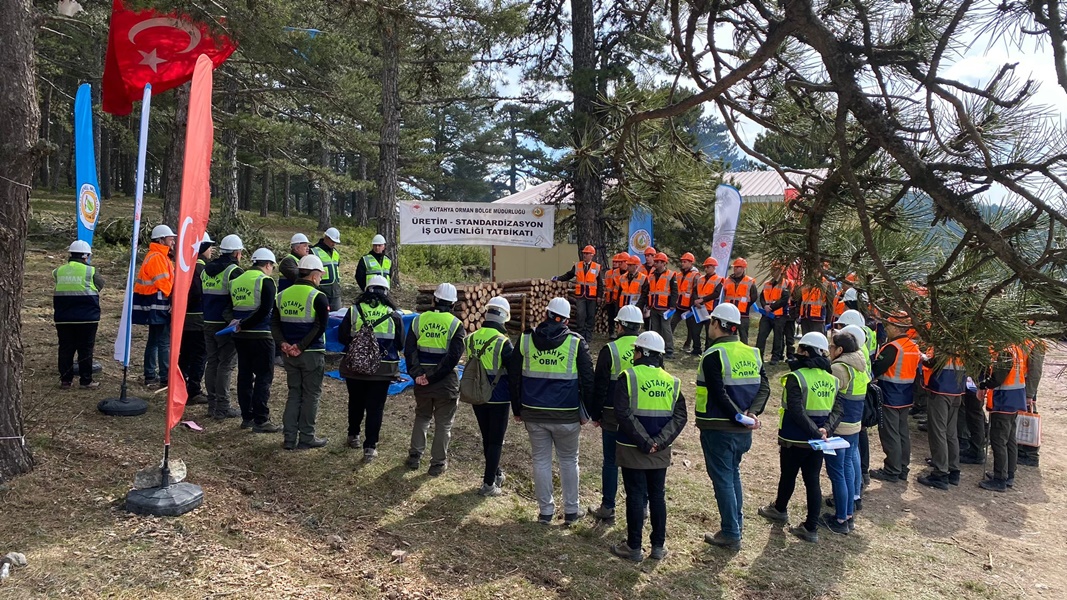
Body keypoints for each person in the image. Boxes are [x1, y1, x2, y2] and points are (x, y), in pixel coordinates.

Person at [509, 297, 594, 526]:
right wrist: (589, 412)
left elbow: (514, 376)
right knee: (568, 460)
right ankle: (571, 512)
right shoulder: (576, 342)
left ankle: (545, 512)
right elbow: (588, 380)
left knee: (541, 461)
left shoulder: (526, 339)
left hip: (534, 414)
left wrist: (517, 409)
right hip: (566, 415)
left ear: (546, 313)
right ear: (566, 319)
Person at [609, 331, 688, 562]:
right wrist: (659, 442)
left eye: (635, 350)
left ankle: (634, 547)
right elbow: (680, 416)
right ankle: (658, 546)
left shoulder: (629, 376)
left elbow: (622, 412)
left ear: (642, 352)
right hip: (659, 451)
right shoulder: (672, 381)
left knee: (634, 495)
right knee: (657, 495)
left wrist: (644, 441)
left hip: (632, 447)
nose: (633, 354)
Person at [696, 303, 769, 551]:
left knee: (723, 479)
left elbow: (718, 393)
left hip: (719, 427)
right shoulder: (753, 353)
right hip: (743, 430)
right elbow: (765, 388)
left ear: (716, 324)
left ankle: (730, 532)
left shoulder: (713, 354)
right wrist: (751, 414)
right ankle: (736, 524)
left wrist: (738, 416)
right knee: (733, 473)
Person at [758, 332, 839, 543]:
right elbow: (839, 409)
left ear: (804, 351)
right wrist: (825, 431)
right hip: (818, 442)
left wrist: (815, 432)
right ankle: (811, 527)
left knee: (788, 475)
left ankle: (780, 509)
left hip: (794, 439)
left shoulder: (796, 377)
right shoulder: (832, 379)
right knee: (812, 481)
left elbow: (796, 409)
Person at [588, 304, 644, 522]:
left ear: (619, 326)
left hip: (612, 414)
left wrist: (596, 413)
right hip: (640, 415)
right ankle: (644, 506)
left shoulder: (610, 350)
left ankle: (608, 506)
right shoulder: (651, 347)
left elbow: (600, 385)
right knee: (639, 461)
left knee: (610, 460)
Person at [339, 275, 403, 462]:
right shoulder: (394, 315)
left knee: (356, 401)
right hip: (382, 370)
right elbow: (399, 344)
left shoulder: (354, 310)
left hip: (355, 367)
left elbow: (342, 337)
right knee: (375, 408)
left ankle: (353, 435)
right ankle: (370, 447)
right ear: (386, 292)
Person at [405, 283, 466, 475]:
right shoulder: (456, 325)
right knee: (443, 423)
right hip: (445, 381)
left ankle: (414, 456)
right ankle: (438, 464)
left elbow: (409, 351)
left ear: (434, 300)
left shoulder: (418, 320)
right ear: (454, 304)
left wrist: (418, 375)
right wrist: (431, 377)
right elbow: (452, 359)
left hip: (422, 378)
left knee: (422, 416)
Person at [273, 254, 331, 450]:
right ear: (314, 275)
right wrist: (301, 346)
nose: (321, 278)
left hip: (288, 354)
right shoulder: (318, 296)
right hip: (311, 353)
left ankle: (289, 438)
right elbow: (320, 326)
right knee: (311, 395)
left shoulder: (282, 295)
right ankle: (306, 437)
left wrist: (283, 344)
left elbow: (274, 323)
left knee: (294, 394)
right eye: (320, 275)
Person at [466, 296, 514, 496]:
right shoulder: (503, 342)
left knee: (487, 438)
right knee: (495, 441)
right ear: (504, 317)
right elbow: (513, 370)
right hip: (499, 397)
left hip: (478, 395)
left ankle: (496, 472)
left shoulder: (471, 337)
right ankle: (488, 484)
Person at [823, 327, 869, 535]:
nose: (829, 350)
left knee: (837, 472)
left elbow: (828, 395)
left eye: (831, 347)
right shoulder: (860, 365)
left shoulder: (840, 369)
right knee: (849, 468)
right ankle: (848, 514)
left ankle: (841, 519)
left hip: (838, 427)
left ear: (840, 349)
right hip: (854, 424)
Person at [230, 248, 280, 433]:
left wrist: (237, 323)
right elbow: (266, 310)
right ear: (267, 264)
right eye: (272, 267)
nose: (272, 270)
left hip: (240, 336)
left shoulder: (236, 280)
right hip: (261, 335)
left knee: (244, 375)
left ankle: (247, 417)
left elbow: (230, 306)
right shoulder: (266, 281)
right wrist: (246, 323)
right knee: (263, 377)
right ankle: (261, 419)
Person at [869, 312, 922, 482]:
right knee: (902, 432)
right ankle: (902, 468)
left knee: (890, 434)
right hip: (905, 396)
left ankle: (892, 469)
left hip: (890, 395)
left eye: (888, 326)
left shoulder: (893, 347)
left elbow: (878, 368)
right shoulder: (913, 347)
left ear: (896, 327)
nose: (886, 329)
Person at [202, 234, 244, 419]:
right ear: (236, 253)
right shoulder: (234, 271)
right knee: (226, 365)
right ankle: (223, 407)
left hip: (207, 322)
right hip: (226, 325)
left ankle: (212, 405)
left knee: (212, 362)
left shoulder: (206, 270)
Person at [53, 240, 103, 389]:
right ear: (86, 256)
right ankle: (86, 381)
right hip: (87, 318)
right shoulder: (91, 271)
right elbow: (100, 285)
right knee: (85, 349)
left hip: (63, 318)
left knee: (65, 348)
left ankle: (66, 381)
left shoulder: (58, 271)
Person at [979, 344, 1028, 491]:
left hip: (1004, 401)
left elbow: (997, 379)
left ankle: (1000, 478)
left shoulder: (1005, 352)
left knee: (999, 440)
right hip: (1014, 400)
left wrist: (982, 385)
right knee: (1010, 439)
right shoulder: (1017, 349)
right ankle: (1009, 473)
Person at [133, 224, 176, 389]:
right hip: (158, 306)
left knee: (154, 341)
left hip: (155, 305)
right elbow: (165, 284)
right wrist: (174, 299)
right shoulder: (157, 257)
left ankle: (151, 375)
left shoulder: (160, 256)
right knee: (163, 341)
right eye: (170, 238)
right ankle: (164, 377)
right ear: (161, 239)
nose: (172, 241)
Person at [917, 348, 966, 489]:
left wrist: (923, 358)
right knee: (951, 433)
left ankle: (940, 473)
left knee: (938, 432)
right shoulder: (964, 340)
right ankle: (953, 470)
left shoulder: (945, 341)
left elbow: (934, 363)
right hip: (957, 390)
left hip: (941, 389)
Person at [179, 234, 213, 405]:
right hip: (198, 320)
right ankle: (193, 391)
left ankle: (179, 387)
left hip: (184, 319)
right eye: (209, 246)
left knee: (184, 354)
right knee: (199, 355)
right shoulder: (201, 269)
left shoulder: (185, 266)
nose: (211, 250)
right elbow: (197, 293)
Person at [554, 245, 602, 342]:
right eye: (584, 253)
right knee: (580, 315)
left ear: (592, 255)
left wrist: (599, 296)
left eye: (587, 253)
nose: (584, 255)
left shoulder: (597, 267)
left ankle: (588, 336)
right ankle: (580, 334)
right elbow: (569, 275)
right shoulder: (578, 266)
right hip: (581, 295)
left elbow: (600, 283)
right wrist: (558, 278)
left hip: (591, 296)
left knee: (591, 315)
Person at [754, 262, 792, 365]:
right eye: (772, 269)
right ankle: (758, 356)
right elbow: (762, 297)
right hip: (766, 315)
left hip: (779, 315)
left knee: (778, 337)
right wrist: (764, 306)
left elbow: (784, 299)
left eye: (776, 269)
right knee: (761, 335)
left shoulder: (786, 283)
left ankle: (775, 357)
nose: (773, 272)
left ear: (781, 271)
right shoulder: (767, 283)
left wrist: (771, 307)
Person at [642, 252, 678, 359]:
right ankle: (656, 348)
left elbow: (675, 291)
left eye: (658, 262)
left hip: (665, 308)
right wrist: (648, 305)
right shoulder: (652, 275)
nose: (656, 263)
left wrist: (672, 305)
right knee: (655, 329)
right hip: (654, 306)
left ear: (664, 263)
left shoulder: (671, 275)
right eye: (655, 261)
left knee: (666, 328)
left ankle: (669, 350)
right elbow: (650, 291)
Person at [1018, 338, 1045, 467]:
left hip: (1026, 385)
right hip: (1019, 384)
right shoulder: (1027, 341)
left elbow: (1036, 371)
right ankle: (1020, 449)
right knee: (1020, 419)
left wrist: (1030, 394)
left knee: (1029, 420)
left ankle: (1030, 454)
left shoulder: (1035, 343)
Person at [721, 258, 757, 344]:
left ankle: (743, 354)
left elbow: (754, 296)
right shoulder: (727, 280)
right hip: (729, 313)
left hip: (743, 314)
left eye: (738, 267)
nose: (735, 268)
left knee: (743, 336)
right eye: (735, 267)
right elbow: (724, 294)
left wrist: (746, 305)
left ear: (743, 268)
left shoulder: (749, 281)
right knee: (729, 335)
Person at [672, 253, 701, 353]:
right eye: (682, 261)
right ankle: (669, 343)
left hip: (689, 307)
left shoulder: (696, 275)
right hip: (679, 305)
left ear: (690, 263)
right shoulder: (679, 275)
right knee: (672, 323)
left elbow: (697, 291)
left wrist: (693, 305)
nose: (682, 263)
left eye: (685, 262)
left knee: (690, 327)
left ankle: (687, 345)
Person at [694, 257, 722, 354]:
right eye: (705, 267)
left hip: (710, 309)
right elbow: (694, 290)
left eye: (708, 267)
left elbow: (716, 294)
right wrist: (696, 300)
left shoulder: (719, 279)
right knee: (695, 330)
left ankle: (707, 350)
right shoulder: (700, 279)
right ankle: (696, 349)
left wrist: (702, 300)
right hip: (699, 308)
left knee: (708, 332)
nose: (706, 269)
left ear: (714, 267)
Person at [313, 227, 342, 310]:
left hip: (335, 292)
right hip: (321, 291)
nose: (334, 244)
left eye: (335, 242)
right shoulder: (314, 251)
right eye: (332, 241)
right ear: (326, 237)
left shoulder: (336, 253)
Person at [602, 253, 626, 337]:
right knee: (610, 316)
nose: (615, 263)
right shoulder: (609, 273)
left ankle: (619, 332)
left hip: (618, 298)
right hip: (610, 297)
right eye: (614, 262)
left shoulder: (624, 273)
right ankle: (611, 332)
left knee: (618, 316)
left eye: (617, 262)